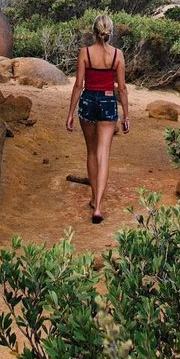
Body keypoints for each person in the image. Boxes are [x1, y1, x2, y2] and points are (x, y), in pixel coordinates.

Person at [65, 14, 129, 223]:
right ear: (110, 32)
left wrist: (70, 113)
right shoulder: (118, 55)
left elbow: (78, 85)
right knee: (104, 154)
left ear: (94, 32)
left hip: (88, 102)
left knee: (91, 152)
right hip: (109, 102)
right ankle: (98, 207)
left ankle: (94, 198)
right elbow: (122, 88)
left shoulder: (85, 53)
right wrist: (126, 116)